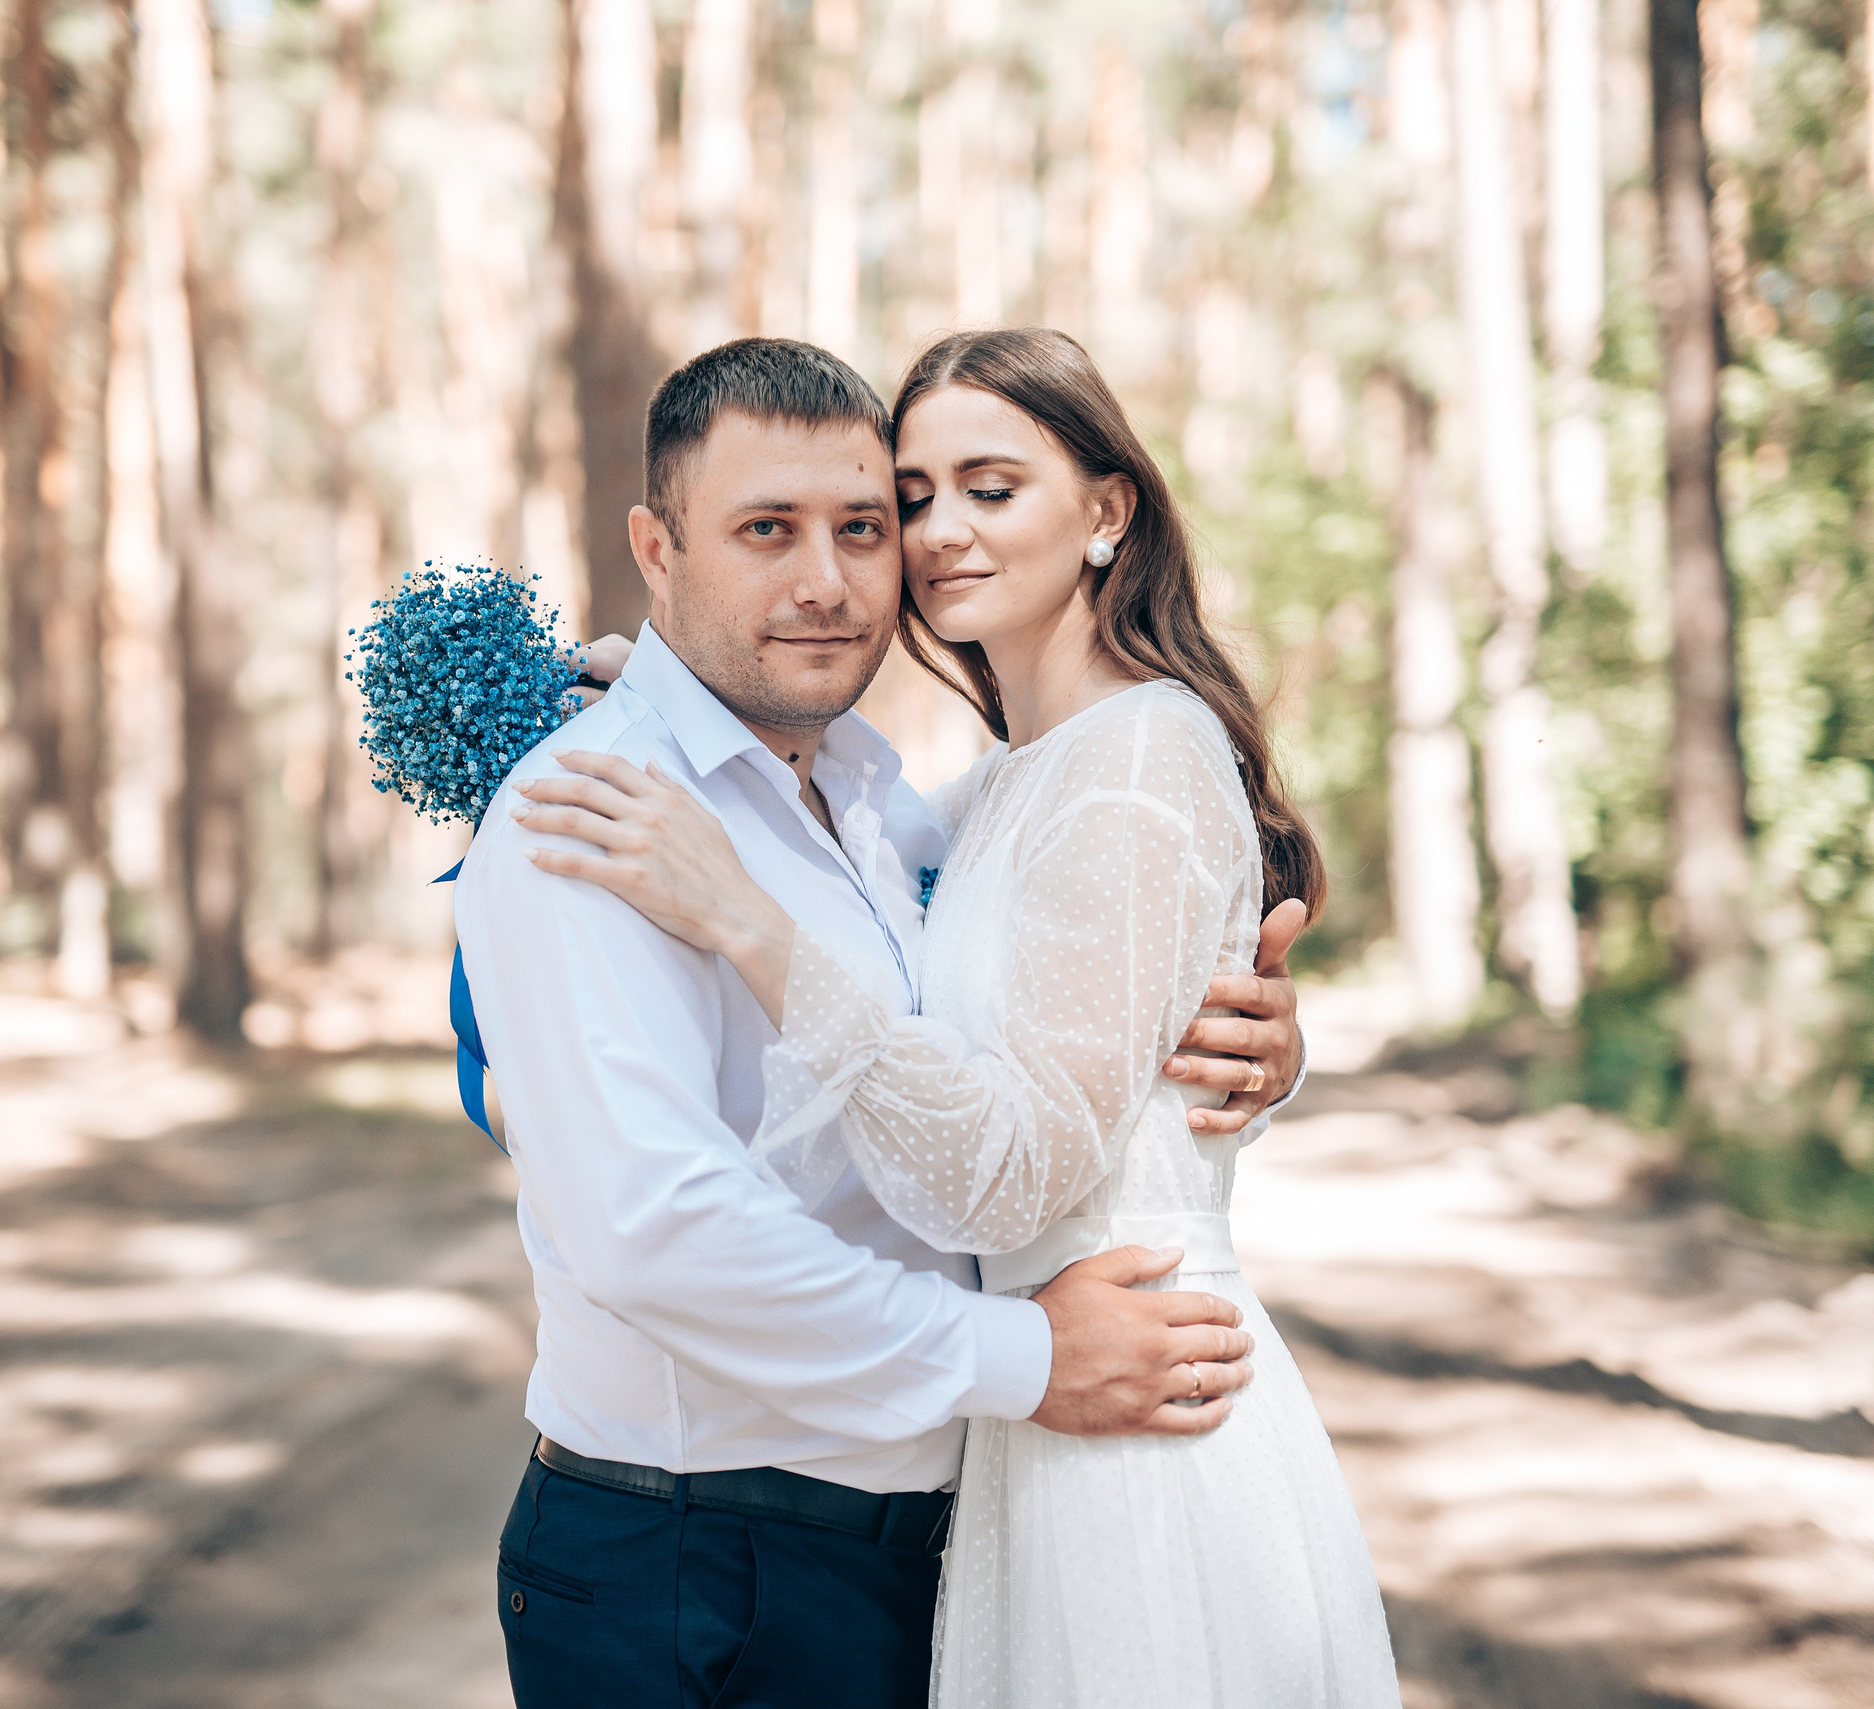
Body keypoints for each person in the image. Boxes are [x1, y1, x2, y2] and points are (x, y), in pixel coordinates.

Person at [517, 328, 1401, 1707]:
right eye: (914, 499)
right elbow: (659, 1206)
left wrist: (1246, 1066)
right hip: (833, 1490)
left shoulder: (1057, 774)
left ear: (1108, 512)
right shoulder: (947, 798)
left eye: (976, 492)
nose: (924, 542)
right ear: (661, 544)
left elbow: (1017, 1139)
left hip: (1121, 1417)